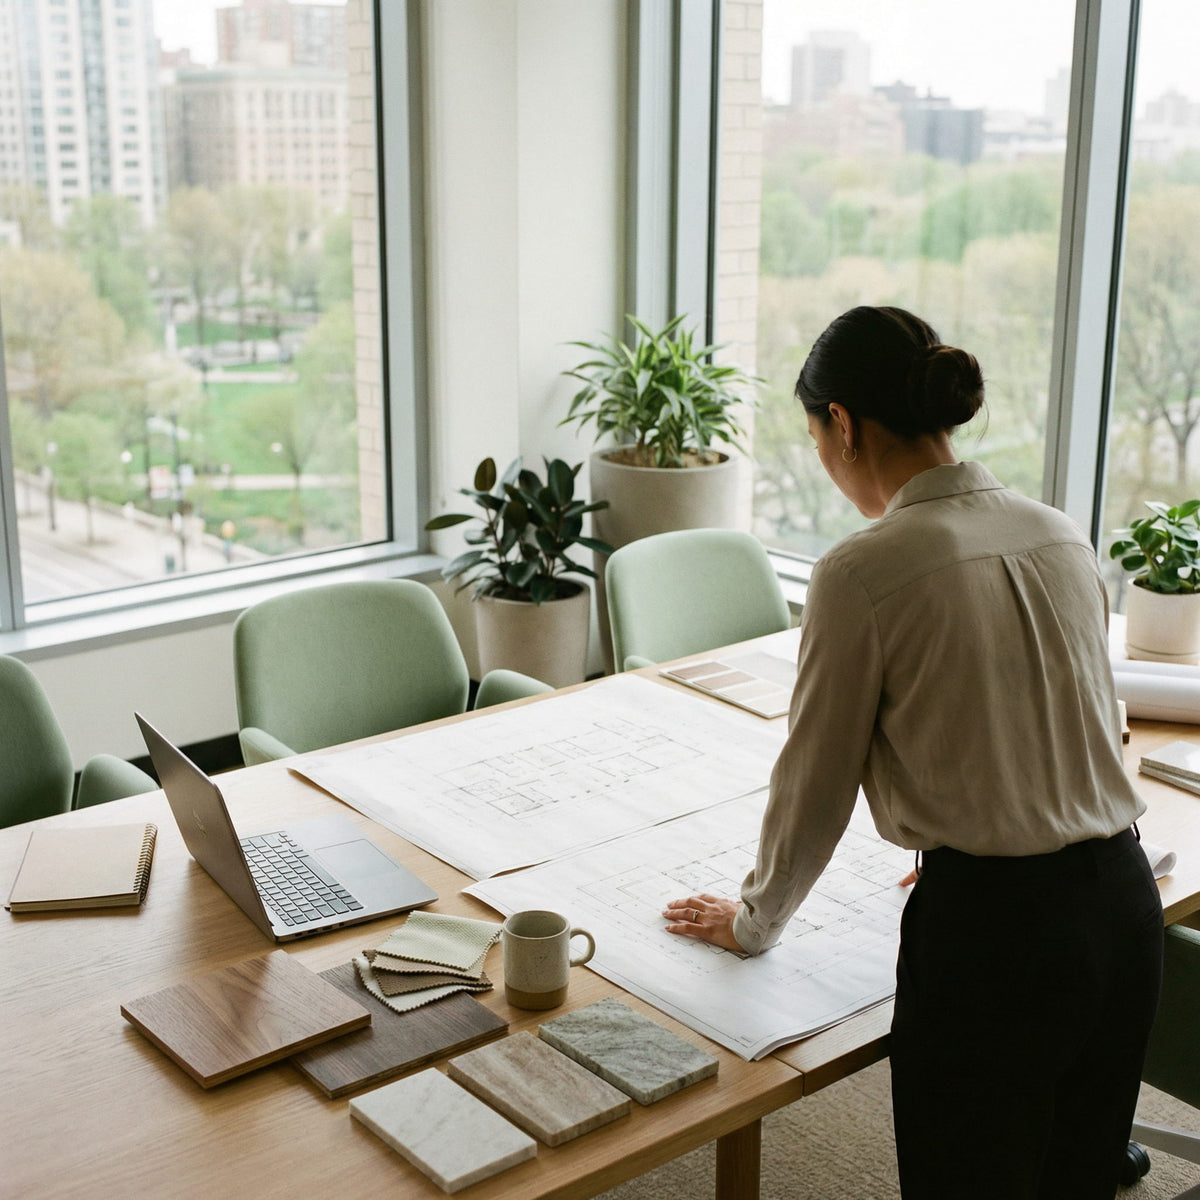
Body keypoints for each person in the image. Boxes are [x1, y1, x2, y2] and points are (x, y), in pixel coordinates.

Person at [662, 305, 1163, 1199]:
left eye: (816, 435)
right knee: (1077, 1181)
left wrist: (752, 922)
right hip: (1124, 910)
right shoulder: (1059, 531)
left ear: (843, 425)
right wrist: (990, 816)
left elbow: (815, 782)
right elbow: (1076, 717)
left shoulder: (863, 569)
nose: (822, 456)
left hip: (994, 938)